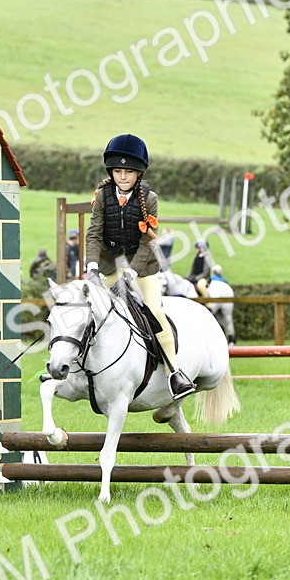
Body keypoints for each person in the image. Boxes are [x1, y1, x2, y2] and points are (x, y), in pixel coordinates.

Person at [85, 133, 194, 399]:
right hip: (110, 266)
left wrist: (132, 271)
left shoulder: (150, 198)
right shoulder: (102, 196)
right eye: (118, 171)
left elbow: (148, 242)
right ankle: (74, 365)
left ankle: (175, 373)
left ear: (139, 173)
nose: (122, 177)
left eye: (128, 172)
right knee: (85, 306)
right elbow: (94, 233)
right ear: (111, 171)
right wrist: (91, 267)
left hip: (142, 267)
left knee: (155, 311)